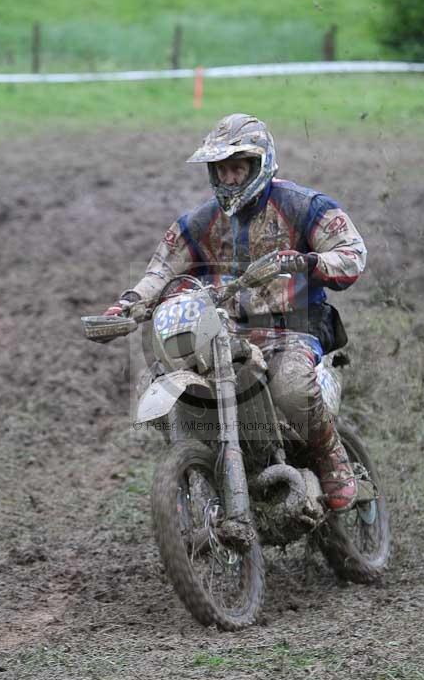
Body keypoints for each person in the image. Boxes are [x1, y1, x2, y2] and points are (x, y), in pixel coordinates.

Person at [104, 114, 367, 512]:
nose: (229, 178)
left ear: (259, 165)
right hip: (225, 329)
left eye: (237, 168)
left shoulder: (304, 206)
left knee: (292, 386)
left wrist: (308, 261)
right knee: (155, 382)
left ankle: (333, 460)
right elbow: (160, 270)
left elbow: (352, 253)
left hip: (294, 327)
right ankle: (200, 468)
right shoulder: (199, 221)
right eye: (221, 169)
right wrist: (128, 303)